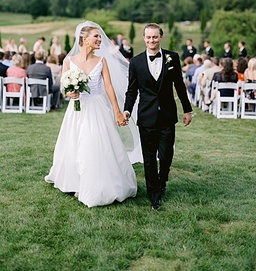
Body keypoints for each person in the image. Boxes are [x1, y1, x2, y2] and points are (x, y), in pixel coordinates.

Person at [44, 21, 142, 208]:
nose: (100, 40)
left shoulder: (101, 61)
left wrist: (117, 111)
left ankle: (98, 184)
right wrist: (69, 93)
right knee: (73, 142)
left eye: (99, 36)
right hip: (77, 108)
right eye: (96, 36)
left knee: (95, 143)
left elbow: (108, 87)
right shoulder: (68, 61)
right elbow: (65, 87)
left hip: (97, 107)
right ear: (84, 39)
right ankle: (73, 181)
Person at [123, 23, 193, 210]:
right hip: (146, 117)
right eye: (148, 37)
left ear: (160, 37)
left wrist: (187, 110)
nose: (151, 40)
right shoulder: (136, 62)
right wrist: (127, 110)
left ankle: (162, 179)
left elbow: (179, 85)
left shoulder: (173, 58)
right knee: (148, 157)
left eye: (154, 37)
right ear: (144, 38)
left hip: (167, 115)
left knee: (166, 154)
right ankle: (154, 194)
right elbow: (132, 91)